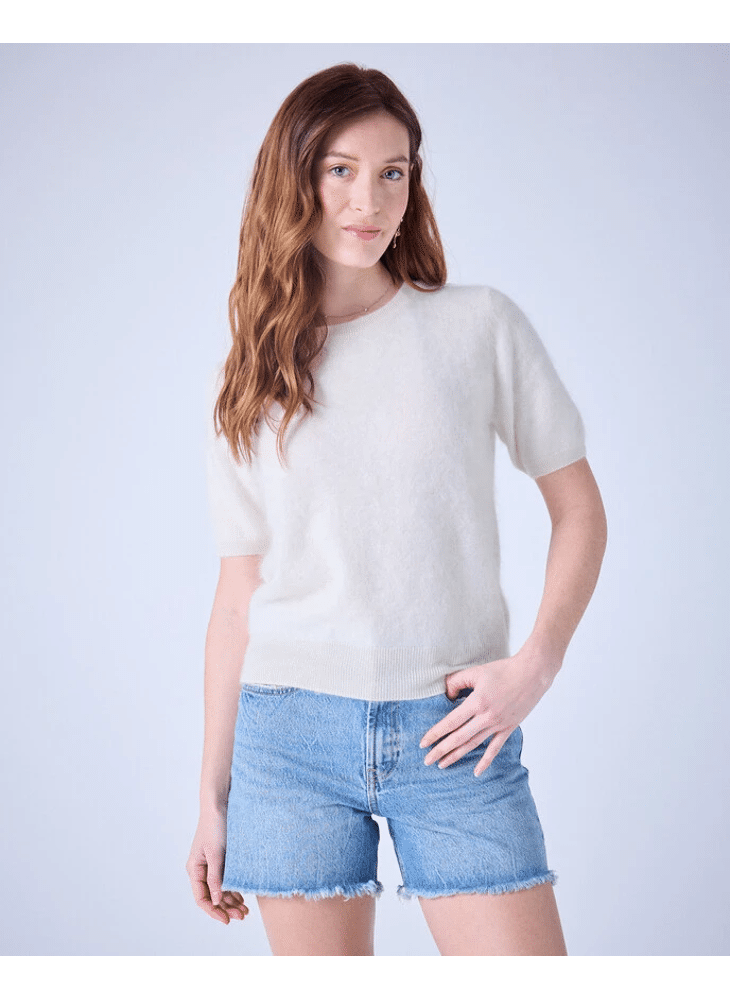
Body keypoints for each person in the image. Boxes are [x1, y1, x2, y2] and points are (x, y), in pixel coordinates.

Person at [185, 62, 607, 957]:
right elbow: (236, 600)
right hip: (288, 740)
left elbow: (579, 510)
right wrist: (212, 801)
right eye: (340, 169)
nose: (369, 200)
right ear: (293, 179)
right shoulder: (252, 374)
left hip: (453, 731)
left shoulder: (478, 326)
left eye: (393, 172)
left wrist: (536, 665)